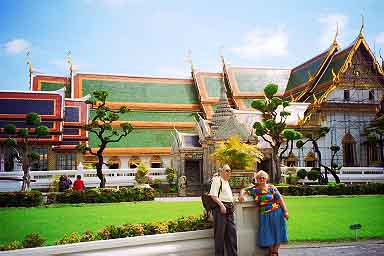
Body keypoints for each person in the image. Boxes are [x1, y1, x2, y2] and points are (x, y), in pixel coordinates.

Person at [239, 170, 288, 256]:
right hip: (264, 215)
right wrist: (241, 195)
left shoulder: (271, 187)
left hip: (276, 213)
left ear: (266, 179)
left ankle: (275, 251)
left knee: (278, 231)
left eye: (263, 178)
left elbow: (280, 199)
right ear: (257, 179)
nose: (261, 179)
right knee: (267, 233)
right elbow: (243, 190)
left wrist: (285, 211)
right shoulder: (255, 189)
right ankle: (271, 250)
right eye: (259, 178)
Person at [209, 164, 238, 256]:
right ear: (221, 171)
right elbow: (213, 196)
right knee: (219, 235)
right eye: (226, 170)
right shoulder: (217, 180)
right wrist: (222, 206)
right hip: (220, 209)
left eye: (229, 171)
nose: (229, 172)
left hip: (229, 209)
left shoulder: (226, 182)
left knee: (231, 234)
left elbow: (227, 196)